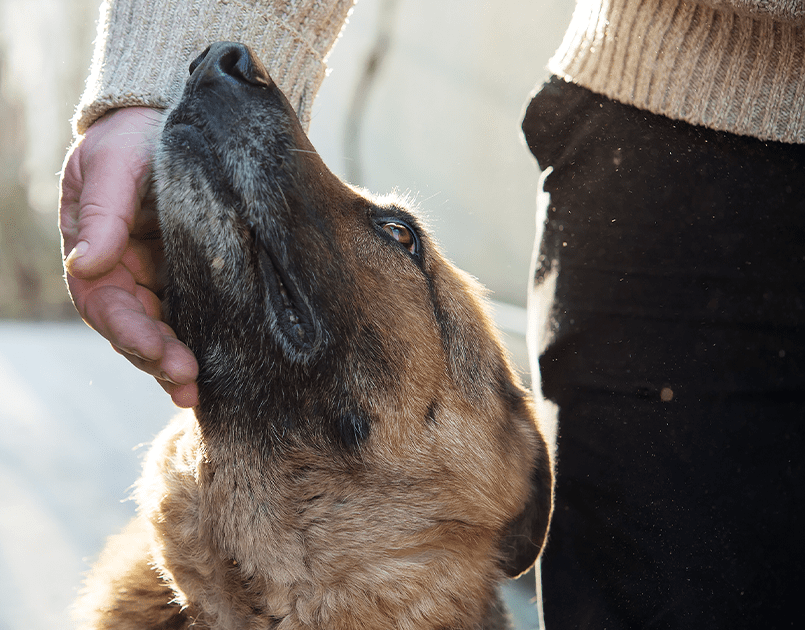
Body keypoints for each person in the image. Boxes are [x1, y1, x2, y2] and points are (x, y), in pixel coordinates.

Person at [59, 0, 805, 627]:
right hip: (688, 140)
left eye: (396, 238)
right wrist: (160, 80)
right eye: (397, 236)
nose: (219, 68)